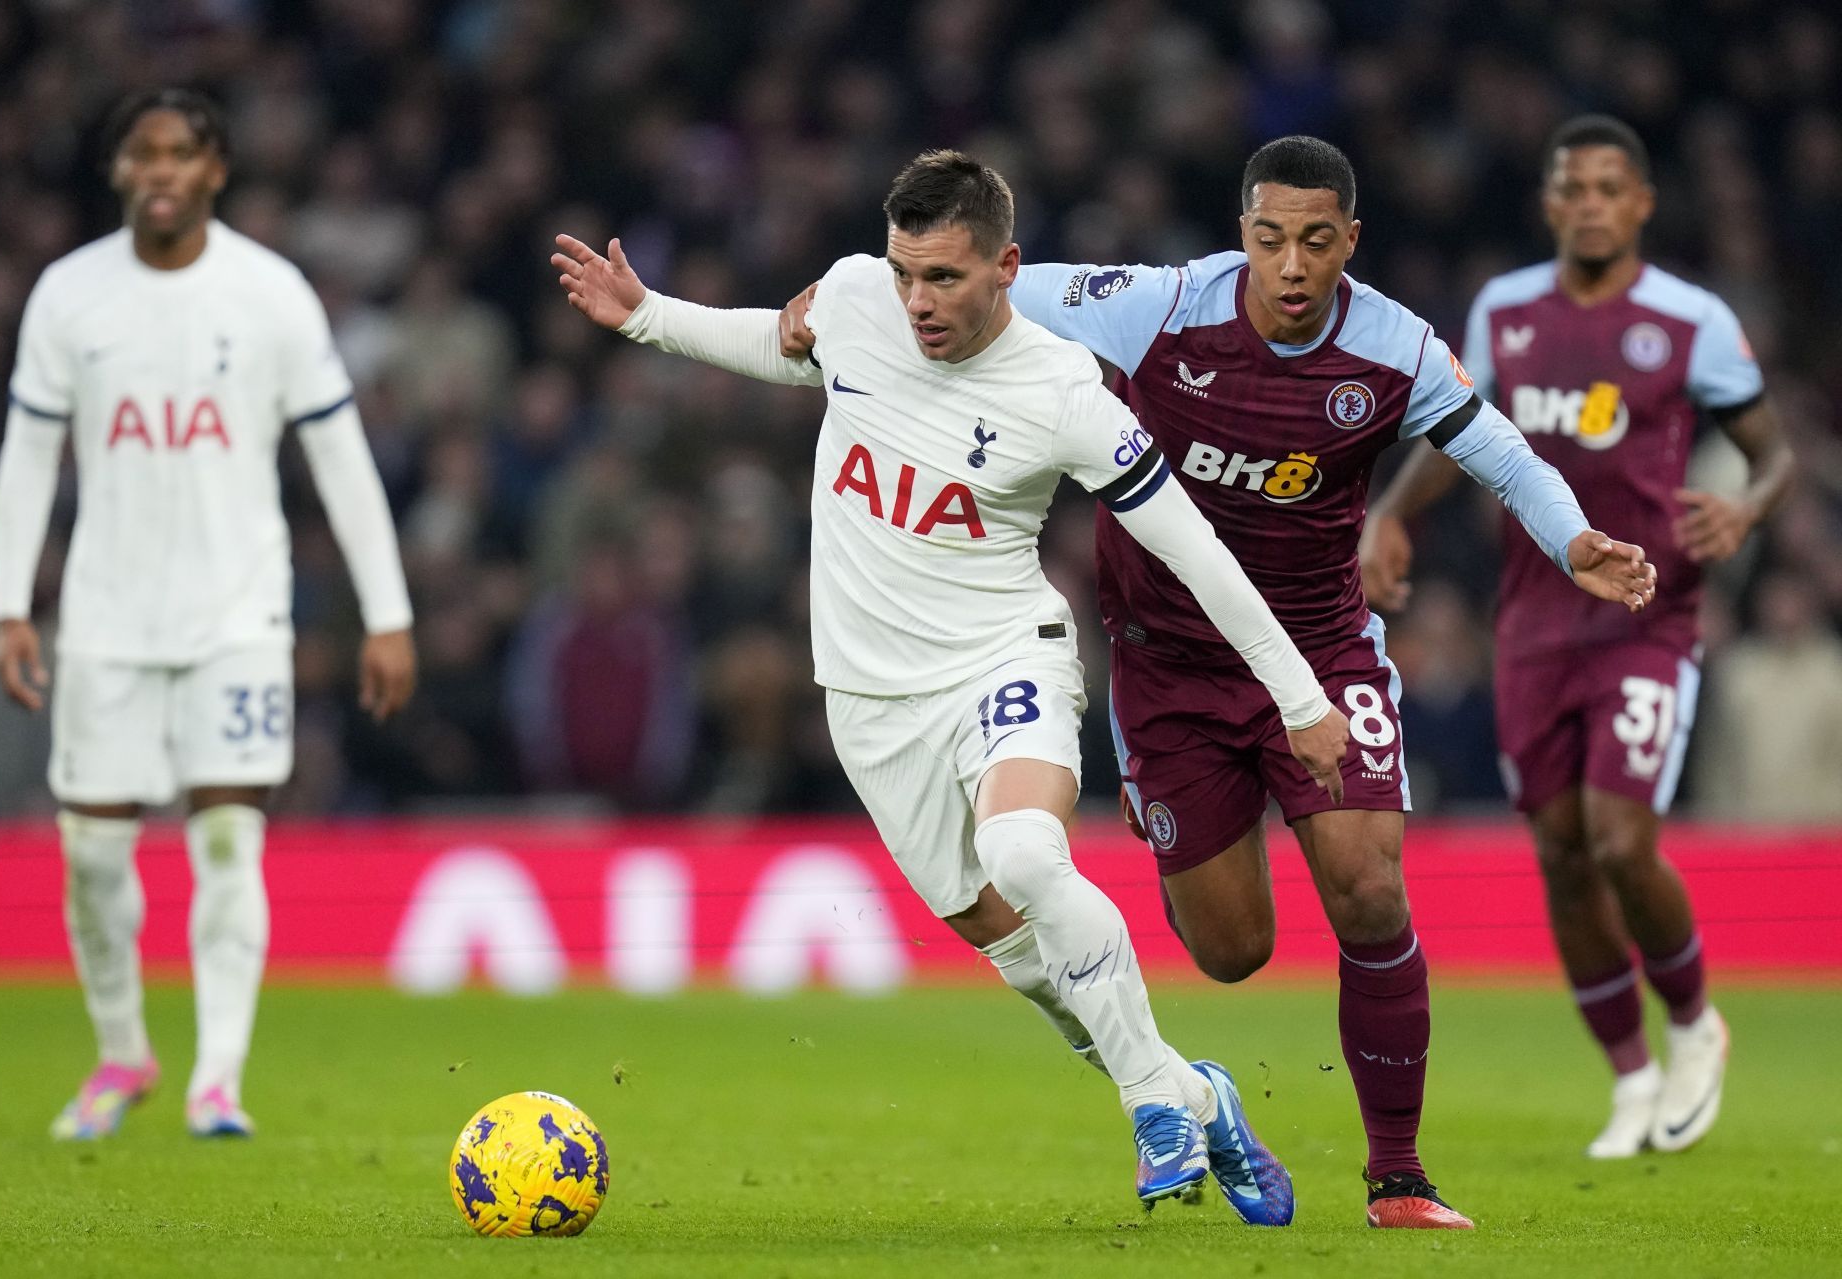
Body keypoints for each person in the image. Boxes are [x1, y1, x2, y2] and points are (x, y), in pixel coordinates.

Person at [781, 135, 1657, 1229]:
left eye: (1316, 242)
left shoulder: (1397, 347)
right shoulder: (1154, 307)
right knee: (1233, 951)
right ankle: (1209, 1071)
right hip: (1171, 668)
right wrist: (844, 293)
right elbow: (978, 278)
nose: (1292, 264)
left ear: (1351, 243)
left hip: (1323, 649)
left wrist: (1572, 539)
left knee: (1368, 885)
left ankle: (1398, 1176)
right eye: (1270, 238)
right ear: (1243, 233)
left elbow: (1505, 454)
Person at [552, 149, 1351, 1220]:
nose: (918, 302)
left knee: (1026, 850)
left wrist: (1300, 697)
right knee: (1023, 959)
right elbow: (788, 349)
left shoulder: (1063, 391)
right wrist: (649, 314)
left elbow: (1197, 549)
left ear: (1008, 267)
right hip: (872, 704)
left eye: (946, 279)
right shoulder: (852, 300)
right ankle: (1190, 1096)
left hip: (1001, 657)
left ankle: (1153, 1112)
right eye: (905, 273)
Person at [0, 89, 417, 1140]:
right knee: (93, 853)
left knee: (228, 840)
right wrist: (9, 601)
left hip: (238, 616)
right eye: (144, 154)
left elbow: (338, 456)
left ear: (216, 168)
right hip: (105, 620)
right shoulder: (67, 296)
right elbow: (30, 452)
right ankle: (123, 1054)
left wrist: (387, 611)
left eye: (183, 152)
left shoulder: (270, 296)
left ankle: (216, 1078)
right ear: (120, 170)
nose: (163, 171)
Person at [1361, 115, 1793, 1159]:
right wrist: (1394, 512)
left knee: (1617, 837)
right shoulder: (1505, 310)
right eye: (1574, 187)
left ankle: (1693, 1025)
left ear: (1641, 202)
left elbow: (1768, 449)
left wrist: (1743, 508)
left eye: (1611, 187)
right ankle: (1631, 1076)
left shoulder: (1688, 319)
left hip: (1649, 615)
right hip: (1533, 625)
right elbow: (1461, 432)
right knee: (1559, 855)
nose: (1592, 202)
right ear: (1551, 201)